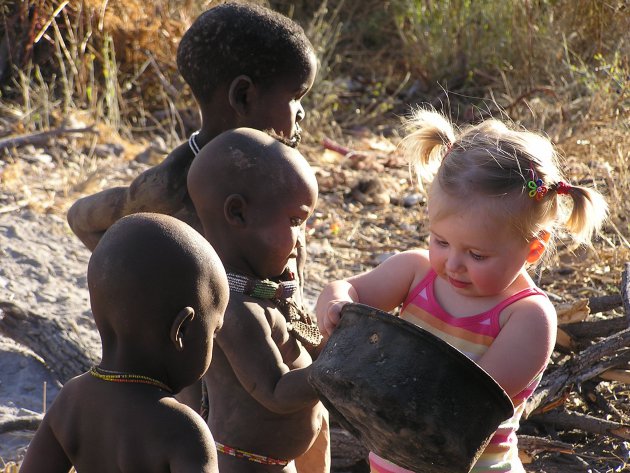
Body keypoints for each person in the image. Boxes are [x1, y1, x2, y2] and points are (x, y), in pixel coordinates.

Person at [315, 109, 608, 473]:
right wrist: (336, 306)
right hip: (391, 461)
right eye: (441, 241)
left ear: (533, 249)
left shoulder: (527, 317)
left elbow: (461, 402)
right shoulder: (415, 270)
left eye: (477, 254)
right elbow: (344, 290)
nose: (453, 264)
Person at [66, 1, 317, 411]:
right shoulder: (170, 189)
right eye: (296, 96)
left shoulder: (277, 177)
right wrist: (146, 285)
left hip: (277, 372)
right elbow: (82, 217)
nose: (303, 110)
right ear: (244, 96)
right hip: (202, 392)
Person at [19, 213, 230, 472]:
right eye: (214, 330)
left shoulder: (71, 400)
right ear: (182, 331)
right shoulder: (183, 430)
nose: (214, 340)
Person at [186, 127, 329, 473]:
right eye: (296, 221)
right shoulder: (235, 310)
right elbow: (277, 390)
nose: (300, 241)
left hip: (287, 454)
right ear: (237, 214)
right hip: (249, 462)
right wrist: (335, 371)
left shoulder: (267, 282)